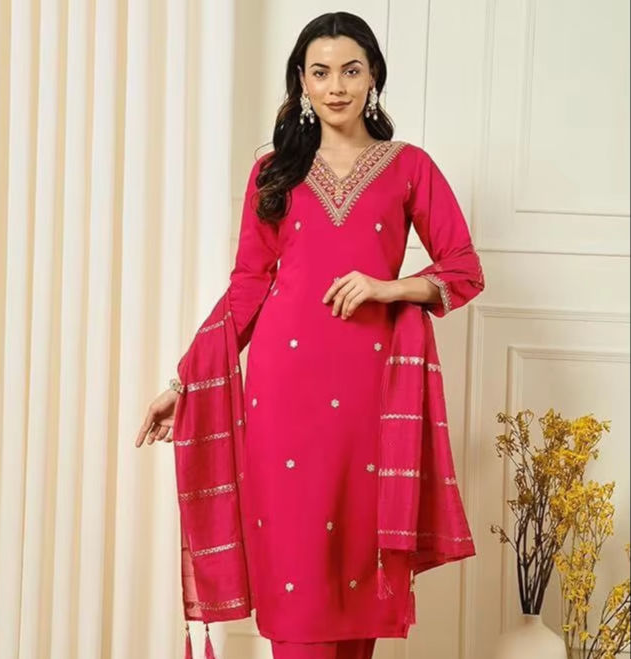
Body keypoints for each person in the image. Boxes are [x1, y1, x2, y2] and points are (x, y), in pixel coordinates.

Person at [135, 11, 484, 659]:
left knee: (355, 570)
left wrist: (388, 288)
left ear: (373, 77)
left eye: (350, 70)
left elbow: (463, 268)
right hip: (283, 392)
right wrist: (183, 381)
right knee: (295, 570)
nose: (335, 86)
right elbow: (247, 285)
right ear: (300, 81)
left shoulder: (409, 167)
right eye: (320, 72)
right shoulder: (275, 171)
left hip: (369, 394)